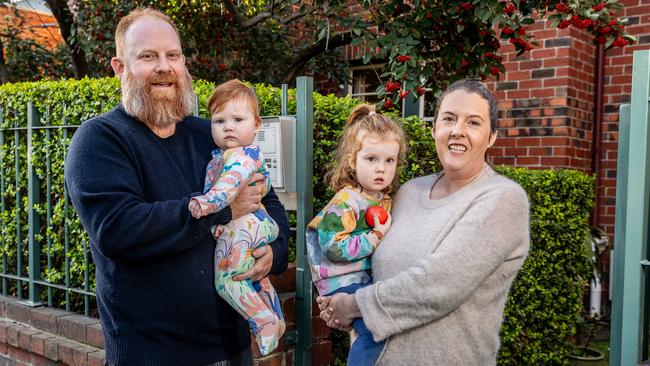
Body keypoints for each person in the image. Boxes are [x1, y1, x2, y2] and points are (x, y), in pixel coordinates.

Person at [64, 8, 289, 366]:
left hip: (233, 351)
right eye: (148, 56)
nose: (164, 67)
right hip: (153, 355)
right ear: (120, 68)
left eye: (173, 55)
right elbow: (118, 229)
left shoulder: (209, 134)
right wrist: (223, 209)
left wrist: (273, 253)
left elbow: (266, 200)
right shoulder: (100, 140)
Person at [317, 78, 530, 365]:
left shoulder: (502, 199)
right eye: (449, 119)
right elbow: (368, 260)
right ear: (434, 129)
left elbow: (439, 284)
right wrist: (337, 297)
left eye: (474, 123)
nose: (458, 131)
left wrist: (355, 305)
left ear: (491, 137)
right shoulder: (408, 192)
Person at [189, 79, 285, 356]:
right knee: (254, 277)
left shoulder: (242, 156)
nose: (228, 126)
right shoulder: (223, 153)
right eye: (219, 121)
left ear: (256, 125)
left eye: (237, 119)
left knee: (227, 281)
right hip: (247, 225)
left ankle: (263, 323)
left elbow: (228, 185)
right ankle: (274, 317)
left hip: (248, 225)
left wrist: (207, 203)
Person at [306, 104, 406, 366]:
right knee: (374, 331)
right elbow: (333, 247)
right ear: (353, 160)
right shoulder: (346, 201)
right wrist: (373, 237)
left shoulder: (383, 200)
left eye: (389, 160)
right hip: (340, 281)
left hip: (361, 279)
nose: (381, 169)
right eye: (371, 159)